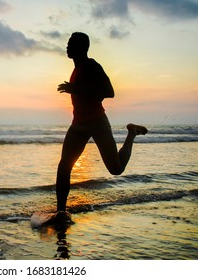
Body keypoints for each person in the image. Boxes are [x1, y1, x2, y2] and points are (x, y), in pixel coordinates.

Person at [55, 32, 148, 222]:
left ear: (82, 48)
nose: (67, 46)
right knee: (64, 166)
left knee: (116, 169)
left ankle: (132, 133)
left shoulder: (92, 66)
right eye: (68, 43)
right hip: (78, 124)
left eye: (71, 44)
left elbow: (109, 92)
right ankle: (61, 213)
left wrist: (76, 89)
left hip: (97, 122)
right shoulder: (77, 69)